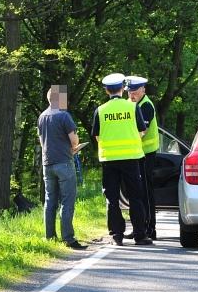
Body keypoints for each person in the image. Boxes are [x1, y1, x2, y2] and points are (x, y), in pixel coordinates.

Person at [91, 73, 152, 246]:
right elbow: (142, 131)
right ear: (123, 88)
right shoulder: (132, 107)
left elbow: (97, 136)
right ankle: (140, 235)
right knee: (135, 197)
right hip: (131, 158)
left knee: (112, 198)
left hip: (109, 160)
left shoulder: (100, 110)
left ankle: (117, 235)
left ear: (106, 90)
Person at [38, 84, 88, 250]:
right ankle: (68, 238)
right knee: (67, 200)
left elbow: (41, 141)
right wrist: (75, 147)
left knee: (49, 200)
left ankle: (50, 236)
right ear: (58, 99)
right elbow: (74, 141)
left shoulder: (42, 117)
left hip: (47, 164)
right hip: (64, 163)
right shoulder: (64, 116)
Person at [125, 75, 158, 240]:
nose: (132, 94)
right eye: (130, 90)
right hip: (135, 154)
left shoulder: (145, 106)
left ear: (143, 89)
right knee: (136, 193)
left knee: (145, 193)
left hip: (146, 154)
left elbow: (141, 132)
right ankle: (139, 227)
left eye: (135, 90)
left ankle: (150, 228)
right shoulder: (131, 106)